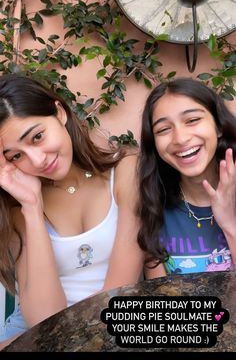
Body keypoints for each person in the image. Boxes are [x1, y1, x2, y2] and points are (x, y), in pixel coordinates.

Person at [0, 74, 144, 348]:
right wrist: (32, 207)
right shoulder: (20, 208)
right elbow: (45, 320)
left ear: (59, 112)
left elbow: (118, 298)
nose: (37, 160)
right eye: (15, 156)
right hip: (43, 334)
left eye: (37, 137)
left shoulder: (126, 172)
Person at [137, 77, 236, 279]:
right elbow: (161, 297)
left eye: (192, 120)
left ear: (218, 126)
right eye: (163, 129)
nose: (180, 139)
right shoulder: (153, 204)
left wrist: (229, 223)